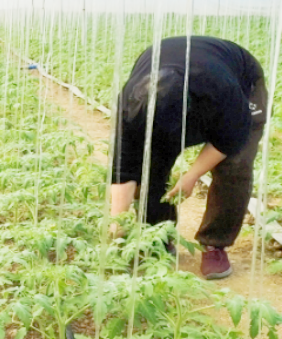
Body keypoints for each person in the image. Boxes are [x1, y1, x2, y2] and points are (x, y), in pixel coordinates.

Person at [110, 35, 266, 279]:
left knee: (235, 165)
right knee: (152, 162)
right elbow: (125, 168)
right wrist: (117, 223)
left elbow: (229, 140)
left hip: (239, 78)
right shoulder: (130, 106)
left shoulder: (221, 92)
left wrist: (192, 175)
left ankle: (215, 243)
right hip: (182, 72)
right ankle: (158, 233)